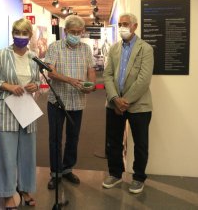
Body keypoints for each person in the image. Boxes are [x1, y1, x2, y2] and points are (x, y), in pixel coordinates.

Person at [0, 18, 40, 210]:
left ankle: (25, 189)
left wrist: (36, 85)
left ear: (30, 36)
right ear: (12, 34)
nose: (21, 36)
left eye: (25, 33)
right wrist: (7, 86)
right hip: (6, 109)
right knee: (6, 154)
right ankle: (6, 193)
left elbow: (37, 82)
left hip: (26, 108)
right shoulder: (2, 54)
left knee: (27, 154)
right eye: (17, 32)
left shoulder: (34, 57)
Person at [102, 13, 154, 194]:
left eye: (126, 24)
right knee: (113, 141)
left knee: (140, 143)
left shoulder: (145, 49)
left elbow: (144, 80)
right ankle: (115, 174)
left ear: (135, 26)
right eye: (120, 24)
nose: (123, 27)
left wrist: (126, 101)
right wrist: (115, 99)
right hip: (114, 104)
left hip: (139, 105)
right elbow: (107, 75)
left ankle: (139, 177)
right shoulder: (114, 48)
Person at [44, 15, 96, 189]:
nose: (76, 35)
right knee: (55, 139)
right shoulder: (55, 47)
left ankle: (67, 169)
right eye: (72, 32)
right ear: (65, 31)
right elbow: (50, 72)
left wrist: (91, 84)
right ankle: (56, 173)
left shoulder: (86, 49)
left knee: (73, 138)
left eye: (79, 32)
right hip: (57, 101)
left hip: (78, 101)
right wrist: (70, 80)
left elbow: (91, 70)